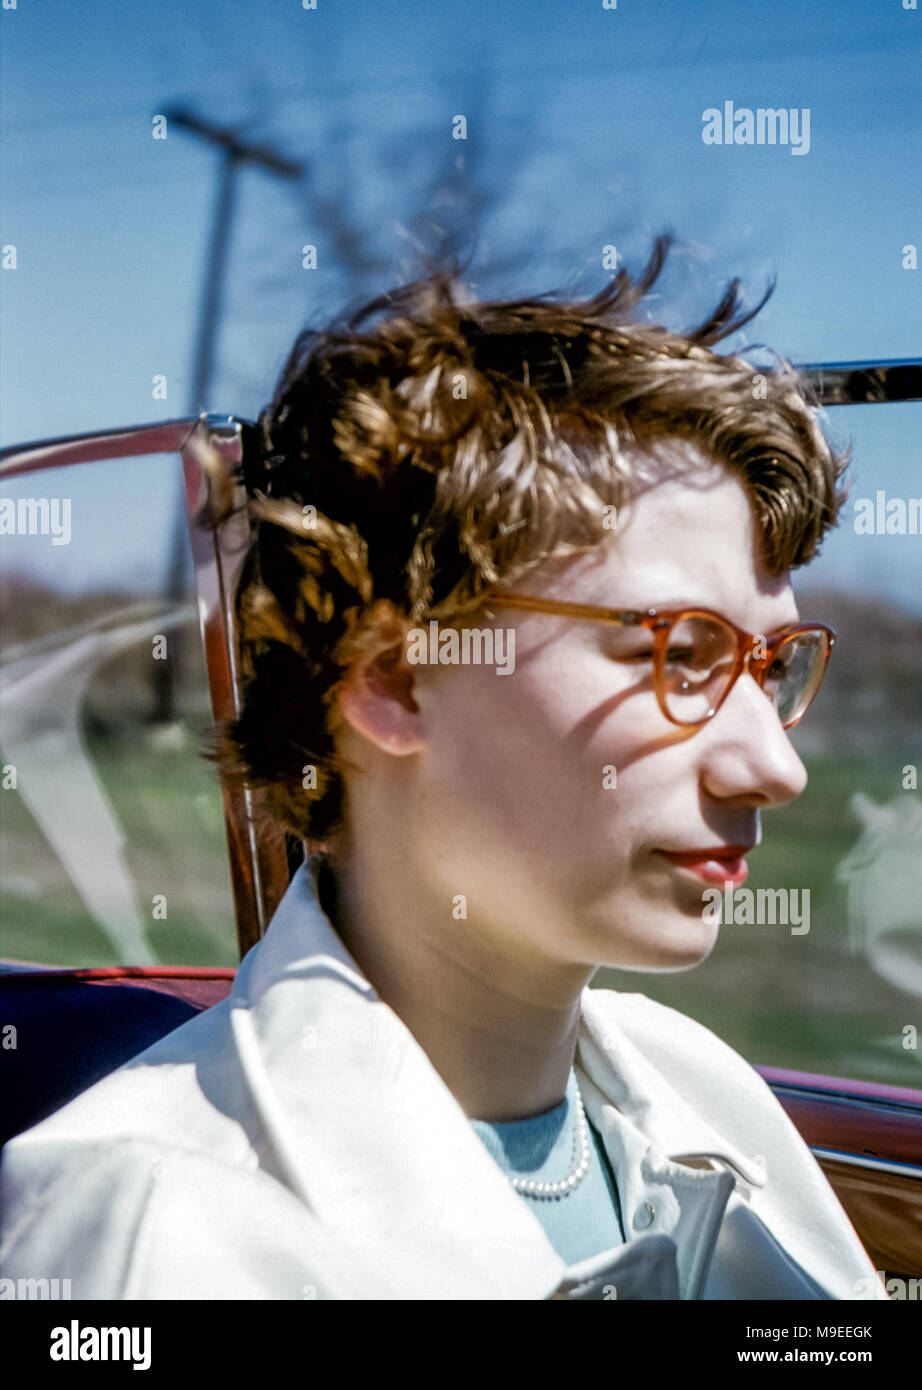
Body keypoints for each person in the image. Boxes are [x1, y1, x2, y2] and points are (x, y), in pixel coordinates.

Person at [0, 237, 890, 1300]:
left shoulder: (707, 1089)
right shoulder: (156, 1237)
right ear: (395, 678)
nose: (772, 767)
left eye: (770, 664)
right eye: (679, 654)